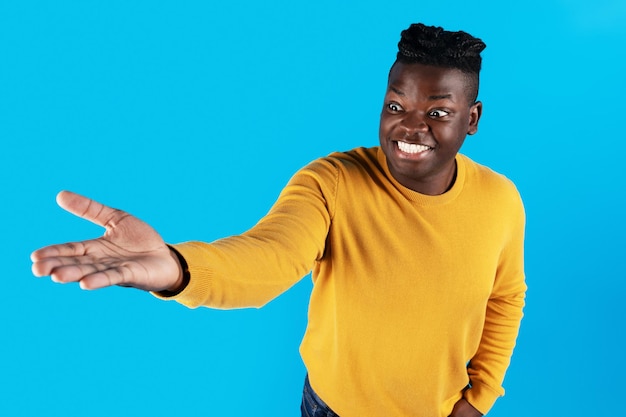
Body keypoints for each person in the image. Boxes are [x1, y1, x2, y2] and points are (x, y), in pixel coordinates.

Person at [31, 23, 526, 417]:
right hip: (332, 409)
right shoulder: (332, 181)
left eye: (438, 112)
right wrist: (180, 268)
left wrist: (478, 399)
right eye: (396, 105)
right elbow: (269, 257)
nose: (410, 126)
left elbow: (505, 298)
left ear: (472, 119)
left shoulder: (501, 201)